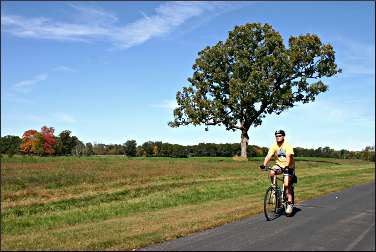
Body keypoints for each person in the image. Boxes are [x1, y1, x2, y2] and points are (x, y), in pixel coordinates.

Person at [260, 129, 295, 216]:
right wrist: (264, 164)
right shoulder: (274, 146)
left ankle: (290, 205)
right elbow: (268, 156)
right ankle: (274, 189)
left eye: (280, 136)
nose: (278, 137)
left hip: (289, 166)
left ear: (283, 136)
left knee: (287, 185)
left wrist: (286, 166)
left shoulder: (287, 145)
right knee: (272, 172)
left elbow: (288, 156)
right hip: (279, 165)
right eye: (276, 136)